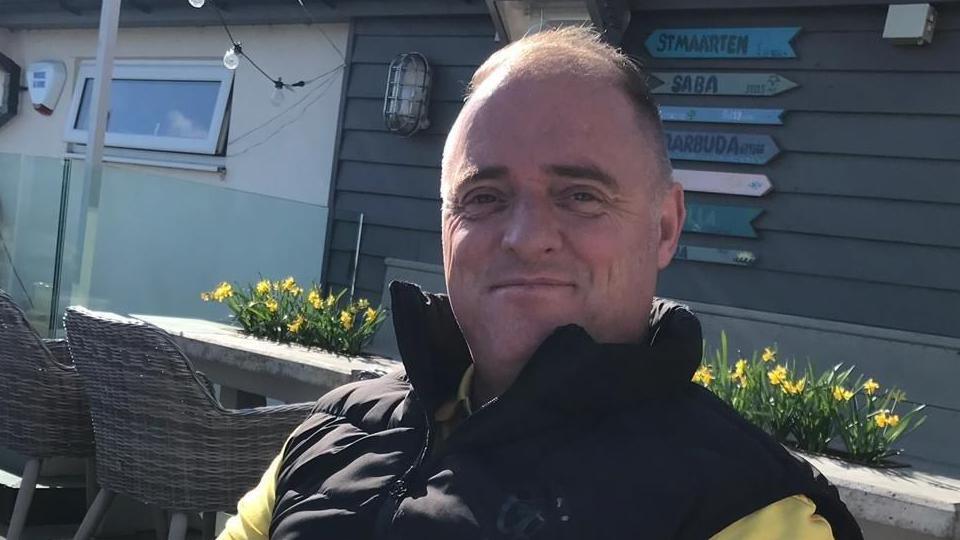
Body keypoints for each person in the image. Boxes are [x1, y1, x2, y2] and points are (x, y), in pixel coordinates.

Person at [220, 27, 862, 540]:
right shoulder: (330, 431)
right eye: (485, 196)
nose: (525, 236)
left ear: (664, 226)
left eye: (580, 194)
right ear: (445, 228)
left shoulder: (741, 511)